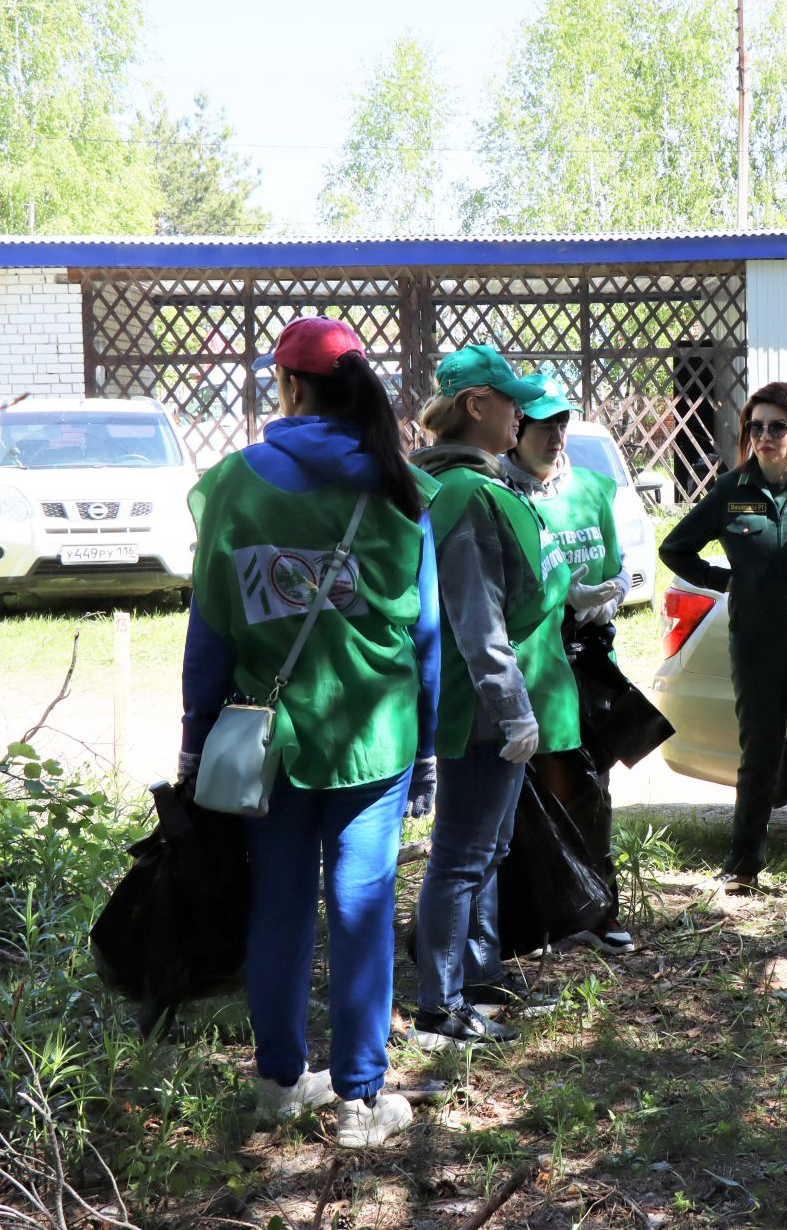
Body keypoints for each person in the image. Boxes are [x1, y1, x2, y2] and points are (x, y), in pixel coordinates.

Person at [180, 315, 437, 1148]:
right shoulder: (398, 486)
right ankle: (362, 1102)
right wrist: (429, 744)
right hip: (377, 738)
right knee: (362, 910)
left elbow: (212, 627)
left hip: (271, 738)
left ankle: (279, 1081)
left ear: (288, 388)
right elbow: (427, 634)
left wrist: (193, 735)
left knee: (281, 908)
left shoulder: (233, 484)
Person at [410, 344, 580, 1048]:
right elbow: (475, 618)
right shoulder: (469, 495)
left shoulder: (446, 483)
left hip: (470, 696)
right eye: (511, 400)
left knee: (482, 848)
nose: (522, 413)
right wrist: (511, 707)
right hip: (479, 706)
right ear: (476, 405)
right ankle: (440, 1010)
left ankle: (471, 979)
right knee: (460, 856)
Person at [659, 382, 787, 904]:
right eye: (757, 427)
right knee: (759, 749)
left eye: (777, 426)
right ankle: (744, 863)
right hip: (756, 639)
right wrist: (728, 582)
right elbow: (675, 548)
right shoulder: (733, 490)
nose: (766, 437)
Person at [499, 376, 636, 954]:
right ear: (516, 431)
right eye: (544, 425)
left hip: (586, 660)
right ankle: (534, 916)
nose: (556, 436)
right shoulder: (501, 495)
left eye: (562, 424)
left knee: (589, 787)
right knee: (526, 796)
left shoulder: (595, 489)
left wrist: (605, 596)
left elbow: (617, 566)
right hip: (526, 659)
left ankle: (597, 906)